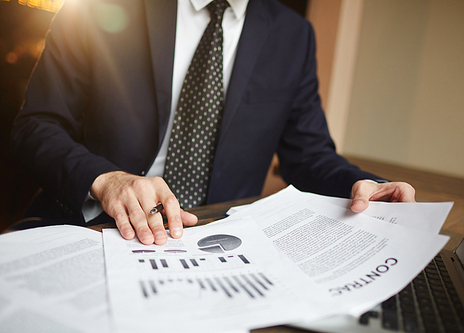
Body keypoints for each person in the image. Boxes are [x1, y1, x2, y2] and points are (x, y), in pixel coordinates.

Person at [11, 0, 415, 246]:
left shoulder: (294, 36)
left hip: (217, 245)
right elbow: (35, 125)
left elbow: (310, 156)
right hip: (91, 225)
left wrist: (362, 186)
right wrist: (106, 179)